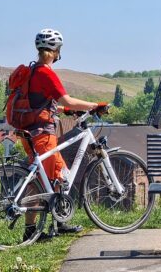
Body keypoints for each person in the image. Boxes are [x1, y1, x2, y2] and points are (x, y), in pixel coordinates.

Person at [22, 28, 103, 241]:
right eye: (59, 49)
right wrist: (94, 105)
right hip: (42, 134)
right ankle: (41, 229)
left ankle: (54, 224)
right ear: (55, 50)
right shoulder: (46, 73)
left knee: (49, 178)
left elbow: (40, 104)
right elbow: (66, 98)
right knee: (51, 178)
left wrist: (62, 110)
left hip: (29, 132)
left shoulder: (31, 71)